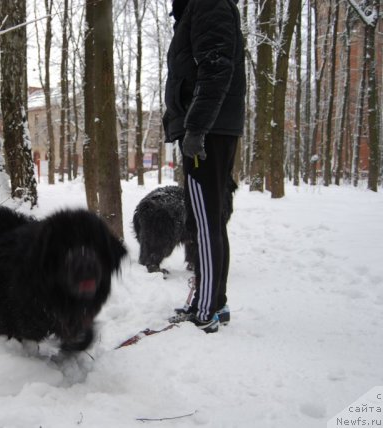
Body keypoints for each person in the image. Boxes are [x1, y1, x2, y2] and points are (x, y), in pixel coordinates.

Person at [163, 0, 246, 333]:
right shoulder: (199, 8)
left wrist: (196, 127)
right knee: (205, 219)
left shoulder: (208, 4)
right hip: (210, 126)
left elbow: (215, 66)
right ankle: (212, 301)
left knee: (205, 221)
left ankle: (208, 307)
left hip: (207, 129)